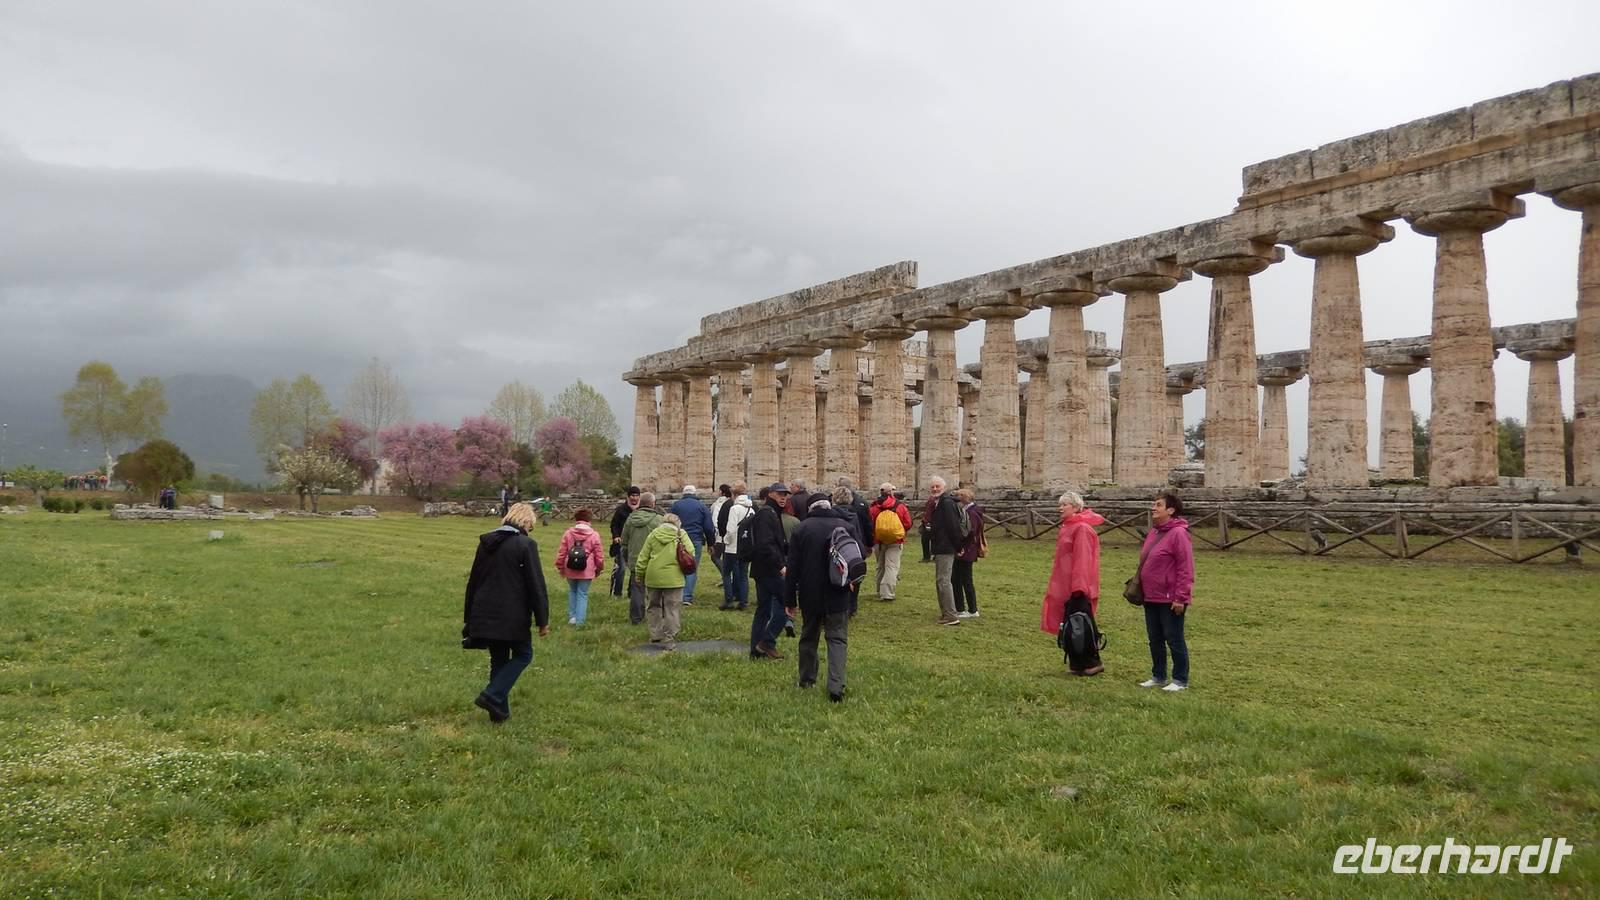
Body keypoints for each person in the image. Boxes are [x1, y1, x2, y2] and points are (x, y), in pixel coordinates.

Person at [461, 502, 550, 723]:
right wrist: (542, 620)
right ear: (526, 522)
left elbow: (474, 581)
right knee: (523, 655)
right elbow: (535, 584)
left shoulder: (486, 544)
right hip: (513, 613)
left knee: (498, 660)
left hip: (485, 610)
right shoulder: (525, 545)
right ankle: (491, 695)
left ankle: (498, 713)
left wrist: (469, 616)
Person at [784, 487, 862, 702]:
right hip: (839, 591)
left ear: (810, 509)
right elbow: (858, 557)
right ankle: (836, 686)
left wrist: (789, 600)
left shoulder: (802, 529)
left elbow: (793, 568)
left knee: (809, 637)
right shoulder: (846, 526)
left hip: (810, 593)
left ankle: (807, 679)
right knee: (837, 638)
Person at [1040, 491, 1106, 676]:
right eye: (1060, 504)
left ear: (1076, 507)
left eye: (1064, 505)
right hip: (1064, 582)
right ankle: (1077, 662)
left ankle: (1092, 661)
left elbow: (1083, 558)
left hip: (1077, 585)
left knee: (1081, 623)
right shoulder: (1067, 527)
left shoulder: (1082, 529)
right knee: (1069, 623)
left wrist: (1079, 587)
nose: (1060, 508)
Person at [1139, 492, 1196, 692]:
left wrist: (1181, 597)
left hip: (1170, 597)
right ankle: (1158, 675)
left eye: (1158, 505)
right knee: (1154, 638)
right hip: (1151, 595)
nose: (1153, 508)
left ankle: (1180, 679)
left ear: (1170, 510)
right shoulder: (1154, 532)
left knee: (1174, 638)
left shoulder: (1179, 534)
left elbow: (1185, 567)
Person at [633, 512, 696, 650]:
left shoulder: (654, 534)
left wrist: (639, 573)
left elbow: (643, 556)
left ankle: (655, 634)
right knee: (672, 608)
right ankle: (669, 638)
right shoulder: (681, 534)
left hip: (653, 575)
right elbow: (691, 551)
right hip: (674, 577)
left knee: (653, 605)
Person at [748, 482, 792, 659]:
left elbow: (776, 543)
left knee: (764, 610)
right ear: (771, 494)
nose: (784, 497)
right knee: (787, 605)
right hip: (769, 569)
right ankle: (767, 641)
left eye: (786, 495)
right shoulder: (767, 514)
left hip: (763, 568)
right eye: (780, 494)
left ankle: (756, 650)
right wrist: (780, 566)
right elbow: (765, 544)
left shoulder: (773, 513)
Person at [555, 507, 605, 626]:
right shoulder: (594, 535)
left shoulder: (568, 533)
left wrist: (560, 566)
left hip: (570, 567)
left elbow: (562, 552)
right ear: (589, 520)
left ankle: (572, 617)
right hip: (586, 569)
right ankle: (580, 621)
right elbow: (599, 555)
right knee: (582, 593)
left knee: (572, 591)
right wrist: (599, 568)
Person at [620, 492, 664, 625]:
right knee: (656, 590)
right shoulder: (659, 520)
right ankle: (656, 617)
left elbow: (624, 541)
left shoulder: (631, 519)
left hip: (635, 559)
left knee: (637, 590)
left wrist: (627, 557)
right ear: (653, 504)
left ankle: (636, 617)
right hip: (654, 559)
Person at [668, 486, 716, 605]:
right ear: (695, 494)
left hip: (678, 538)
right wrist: (711, 543)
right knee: (691, 566)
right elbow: (709, 527)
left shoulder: (676, 505)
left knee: (678, 564)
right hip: (695, 539)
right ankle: (687, 597)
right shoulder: (701, 506)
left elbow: (668, 521)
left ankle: (677, 593)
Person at [927, 476, 964, 625]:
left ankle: (951, 615)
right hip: (941, 546)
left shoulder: (947, 503)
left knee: (943, 581)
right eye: (933, 487)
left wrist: (958, 546)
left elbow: (953, 526)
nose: (935, 489)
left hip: (946, 546)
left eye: (938, 486)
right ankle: (946, 613)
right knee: (941, 581)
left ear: (944, 488)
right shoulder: (940, 503)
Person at [867, 483, 912, 601]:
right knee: (891, 566)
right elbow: (908, 523)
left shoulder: (874, 507)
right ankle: (887, 593)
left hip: (879, 541)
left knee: (880, 566)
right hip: (896, 540)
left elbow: (870, 524)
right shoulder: (900, 506)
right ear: (891, 492)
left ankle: (879, 590)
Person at [718, 482, 754, 610]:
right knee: (743, 575)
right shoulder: (751, 508)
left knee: (726, 573)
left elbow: (731, 528)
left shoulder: (735, 508)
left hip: (732, 547)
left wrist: (726, 541)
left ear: (735, 494)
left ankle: (729, 600)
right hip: (745, 546)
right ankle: (743, 601)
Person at [952, 488, 985, 619]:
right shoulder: (969, 511)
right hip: (965, 549)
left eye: (959, 496)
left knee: (965, 580)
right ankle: (960, 607)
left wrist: (961, 545)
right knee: (957, 579)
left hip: (966, 550)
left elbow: (970, 531)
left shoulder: (972, 512)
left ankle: (972, 609)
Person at [608, 486, 642, 596]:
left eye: (637, 496)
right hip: (622, 543)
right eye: (632, 495)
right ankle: (617, 592)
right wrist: (616, 536)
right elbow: (614, 525)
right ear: (628, 497)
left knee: (635, 569)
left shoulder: (641, 510)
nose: (634, 498)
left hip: (636, 543)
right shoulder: (621, 510)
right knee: (621, 568)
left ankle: (631, 592)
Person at [708, 483, 733, 603]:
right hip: (730, 535)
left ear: (722, 492)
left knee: (715, 557)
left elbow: (715, 519)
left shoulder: (719, 504)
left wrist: (715, 535)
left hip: (720, 536)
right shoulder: (732, 502)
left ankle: (726, 576)